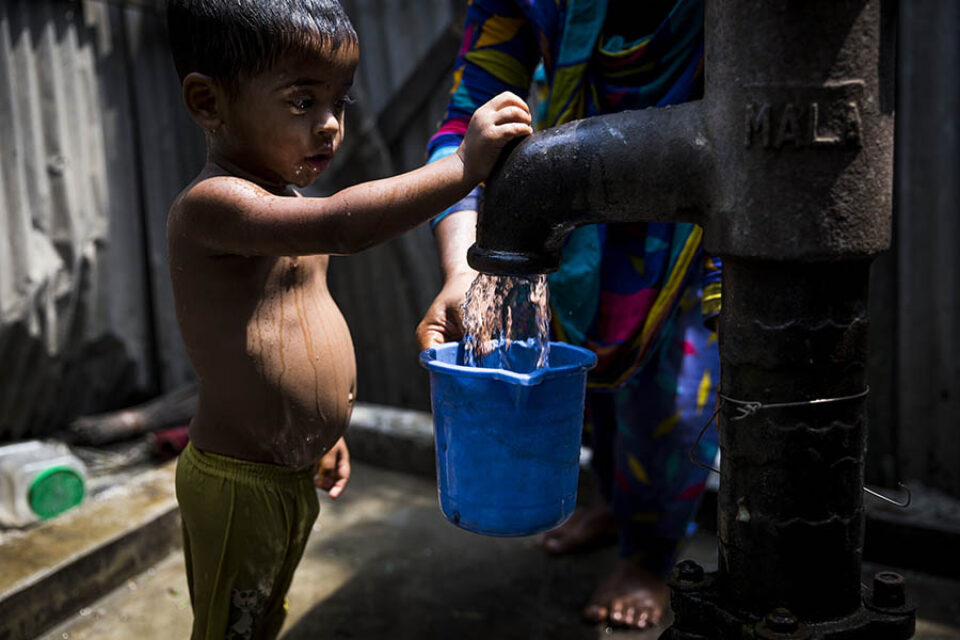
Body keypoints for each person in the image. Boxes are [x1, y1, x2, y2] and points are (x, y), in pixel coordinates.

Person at [165, 1, 532, 637]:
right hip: (237, 482)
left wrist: (321, 433)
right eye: (303, 102)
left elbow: (295, 324)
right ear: (208, 103)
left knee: (263, 612)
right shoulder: (214, 206)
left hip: (287, 467)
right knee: (230, 625)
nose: (332, 125)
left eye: (341, 103)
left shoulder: (285, 200)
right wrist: (463, 168)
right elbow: (344, 224)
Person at [416, 0, 720, 630]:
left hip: (699, 220)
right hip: (577, 215)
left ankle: (651, 556)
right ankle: (613, 504)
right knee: (586, 377)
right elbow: (462, 124)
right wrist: (463, 268)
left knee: (672, 401)